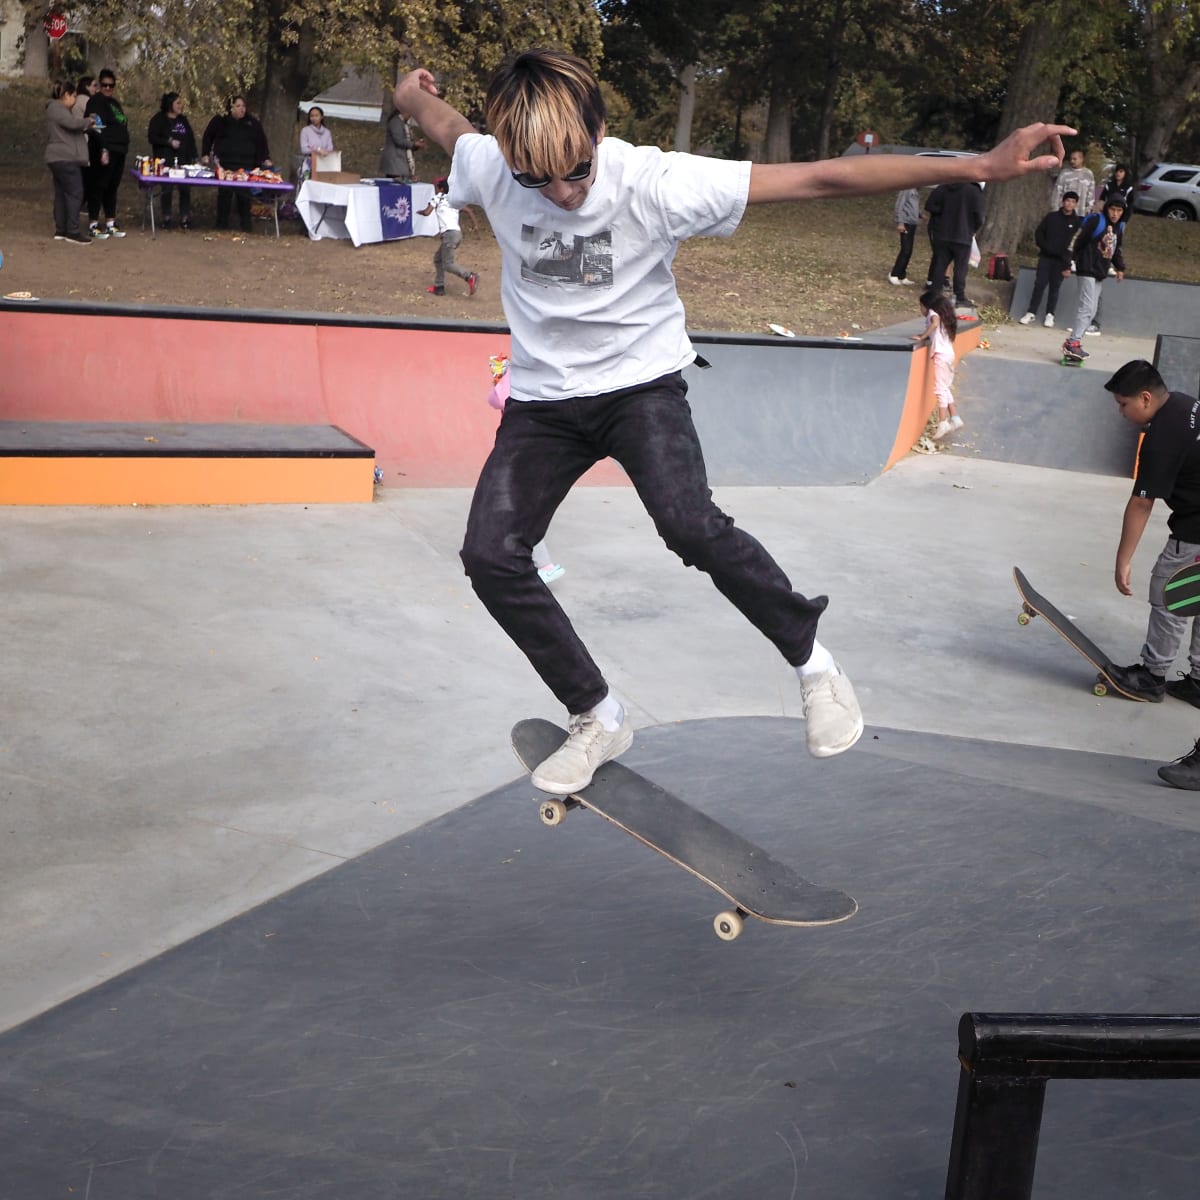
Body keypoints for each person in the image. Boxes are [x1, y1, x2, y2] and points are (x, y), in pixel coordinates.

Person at [392, 49, 1072, 793]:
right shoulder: (493, 163)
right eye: (536, 179)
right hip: (543, 405)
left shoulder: (657, 181)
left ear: (601, 131)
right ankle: (598, 714)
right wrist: (406, 92)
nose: (559, 193)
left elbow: (823, 177)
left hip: (639, 390)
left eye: (577, 172)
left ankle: (814, 665)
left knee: (689, 524)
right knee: (490, 553)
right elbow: (441, 119)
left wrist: (976, 164)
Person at [1102, 360, 1200, 705]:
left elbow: (1142, 504)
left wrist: (1123, 561)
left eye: (1123, 405)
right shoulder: (1187, 404)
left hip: (1195, 530)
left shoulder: (1162, 436)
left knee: (1171, 595)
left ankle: (1151, 676)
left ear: (1145, 398)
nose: (1121, 413)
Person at [488, 355, 565, 585]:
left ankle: (544, 565)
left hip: (521, 453)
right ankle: (518, 554)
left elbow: (495, 399)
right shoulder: (540, 383)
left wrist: (500, 379)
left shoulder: (515, 381)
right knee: (516, 508)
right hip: (539, 452)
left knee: (522, 512)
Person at [1061, 194, 1125, 363]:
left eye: (1119, 211)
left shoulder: (1118, 228)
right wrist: (1068, 262)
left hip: (1100, 271)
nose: (1115, 214)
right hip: (1086, 267)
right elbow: (1076, 239)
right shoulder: (1097, 221)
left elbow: (1116, 249)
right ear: (1107, 209)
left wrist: (1120, 267)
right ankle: (1072, 342)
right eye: (1112, 209)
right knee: (1087, 307)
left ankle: (1076, 341)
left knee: (1093, 309)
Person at [202, 96, 273, 233]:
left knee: (244, 196)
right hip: (225, 165)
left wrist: (265, 158)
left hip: (246, 165)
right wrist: (205, 154)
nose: (242, 109)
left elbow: (261, 142)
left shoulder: (252, 123)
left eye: (244, 106)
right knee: (224, 195)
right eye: (238, 106)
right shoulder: (220, 120)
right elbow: (208, 136)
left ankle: (246, 226)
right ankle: (221, 225)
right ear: (231, 107)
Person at [1018, 190, 1081, 327]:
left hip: (1062, 261)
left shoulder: (1077, 222)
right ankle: (1031, 312)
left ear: (1076, 204)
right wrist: (1045, 247)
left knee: (1055, 288)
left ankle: (1050, 314)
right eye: (1067, 200)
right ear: (1063, 202)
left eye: (1072, 201)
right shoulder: (1051, 217)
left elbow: (1075, 244)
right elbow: (1039, 233)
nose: (1069, 203)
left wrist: (1068, 264)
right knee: (1039, 284)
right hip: (1046, 257)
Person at [45, 80, 95, 245]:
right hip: (64, 158)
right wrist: (88, 121)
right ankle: (72, 231)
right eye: (73, 96)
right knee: (75, 192)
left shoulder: (58, 110)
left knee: (62, 193)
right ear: (66, 95)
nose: (74, 99)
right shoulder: (57, 109)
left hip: (59, 157)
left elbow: (70, 128)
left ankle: (61, 229)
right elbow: (72, 124)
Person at [84, 67, 130, 239]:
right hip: (103, 150)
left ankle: (111, 221)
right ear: (100, 85)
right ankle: (93, 223)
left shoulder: (115, 104)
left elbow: (122, 123)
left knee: (112, 186)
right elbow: (96, 127)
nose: (108, 89)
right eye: (104, 85)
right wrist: (104, 149)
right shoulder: (96, 102)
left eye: (111, 86)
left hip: (119, 150)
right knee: (98, 186)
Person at [925, 179, 983, 307]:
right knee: (960, 268)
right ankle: (959, 296)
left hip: (944, 233)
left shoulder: (943, 187)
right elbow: (979, 215)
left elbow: (929, 205)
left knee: (940, 264)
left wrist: (942, 212)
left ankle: (935, 293)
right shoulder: (973, 191)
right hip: (962, 235)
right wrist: (973, 229)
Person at [417, 177, 479, 296]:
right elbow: (469, 210)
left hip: (449, 234)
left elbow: (427, 212)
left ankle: (469, 276)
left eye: (437, 187)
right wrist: (475, 225)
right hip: (457, 233)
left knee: (448, 264)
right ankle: (439, 287)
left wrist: (419, 212)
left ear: (440, 188)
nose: (436, 189)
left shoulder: (438, 197)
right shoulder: (453, 200)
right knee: (438, 258)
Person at [912, 290, 962, 440]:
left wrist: (922, 337)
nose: (921, 310)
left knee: (939, 388)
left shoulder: (932, 313)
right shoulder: (945, 315)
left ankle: (943, 422)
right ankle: (955, 418)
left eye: (921, 307)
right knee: (944, 387)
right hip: (948, 354)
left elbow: (934, 323)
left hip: (941, 355)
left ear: (927, 306)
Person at [148, 92, 198, 230]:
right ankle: (167, 217)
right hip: (166, 160)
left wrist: (194, 157)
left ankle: (185, 218)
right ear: (170, 104)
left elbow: (190, 139)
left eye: (181, 103)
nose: (180, 106)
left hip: (183, 160)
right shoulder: (159, 119)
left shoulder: (183, 120)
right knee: (167, 189)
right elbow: (152, 137)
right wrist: (168, 141)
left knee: (185, 189)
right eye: (178, 103)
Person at [380, 108, 421, 182]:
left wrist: (416, 145)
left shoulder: (403, 124)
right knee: (394, 182)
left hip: (401, 158)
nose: (409, 117)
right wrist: (414, 144)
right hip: (395, 159)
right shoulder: (395, 122)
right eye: (409, 114)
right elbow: (398, 140)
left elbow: (406, 140)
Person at [889, 187, 920, 285]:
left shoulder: (916, 191)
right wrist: (900, 222)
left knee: (909, 251)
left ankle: (902, 275)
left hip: (912, 223)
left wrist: (919, 214)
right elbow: (900, 205)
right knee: (905, 250)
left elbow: (912, 206)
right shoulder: (907, 190)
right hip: (905, 222)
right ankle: (894, 274)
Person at [1052, 147, 1095, 212]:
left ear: (1081, 159)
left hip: (1081, 212)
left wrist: (1089, 208)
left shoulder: (1088, 174)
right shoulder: (1064, 173)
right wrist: (1055, 209)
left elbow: (1091, 194)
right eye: (1071, 159)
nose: (1072, 161)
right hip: (1064, 212)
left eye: (1074, 159)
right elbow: (1057, 192)